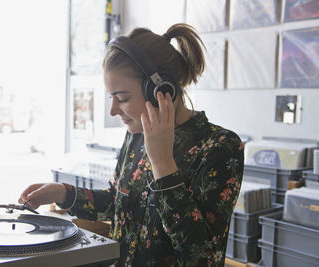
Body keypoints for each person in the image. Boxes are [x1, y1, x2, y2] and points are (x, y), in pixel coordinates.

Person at [19, 23, 244, 267]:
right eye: (111, 97)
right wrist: (63, 193)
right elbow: (118, 204)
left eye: (122, 98)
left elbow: (202, 257)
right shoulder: (137, 133)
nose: (113, 110)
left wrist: (163, 164)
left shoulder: (220, 147)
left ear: (160, 90)